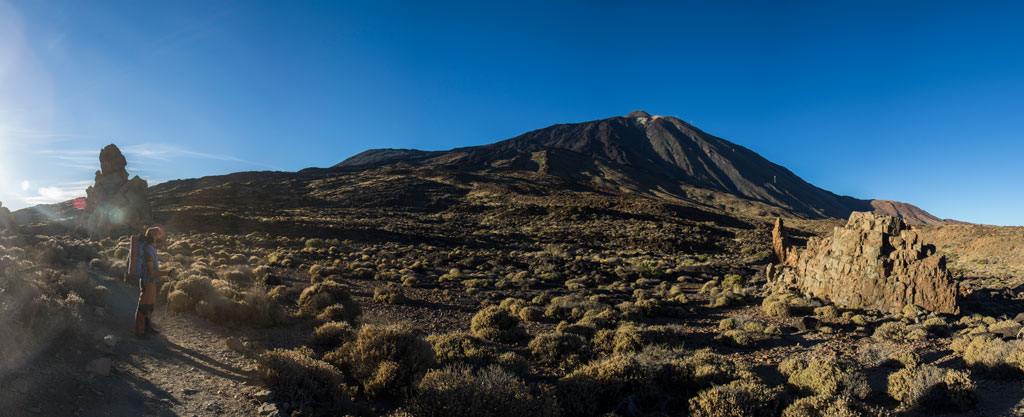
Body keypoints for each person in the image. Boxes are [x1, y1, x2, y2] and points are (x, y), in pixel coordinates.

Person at [135, 226, 176, 337]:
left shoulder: (152, 248)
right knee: (143, 306)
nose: (160, 234)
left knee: (150, 305)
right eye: (158, 233)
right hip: (147, 281)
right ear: (153, 236)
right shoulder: (148, 249)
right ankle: (139, 331)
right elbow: (152, 271)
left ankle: (147, 327)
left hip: (151, 281)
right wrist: (167, 273)